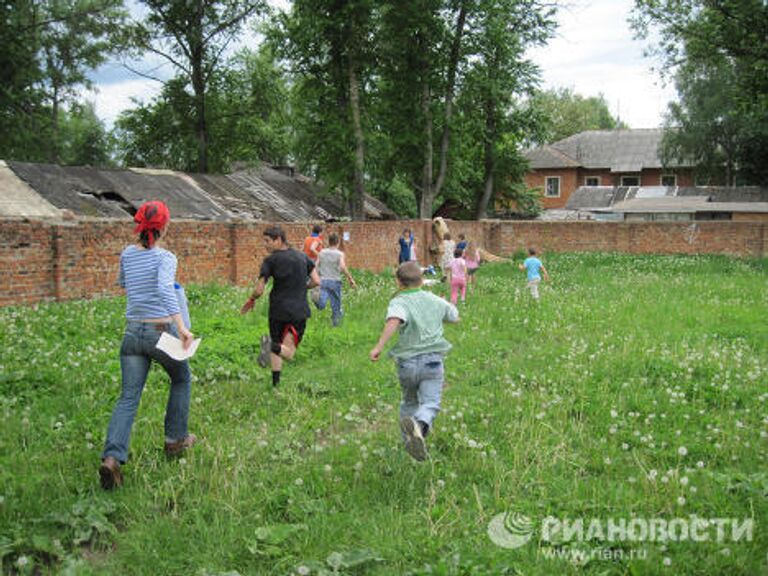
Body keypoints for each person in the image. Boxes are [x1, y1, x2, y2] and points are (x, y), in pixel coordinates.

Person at [99, 200, 196, 490]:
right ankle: (175, 440)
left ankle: (112, 458)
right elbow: (166, 288)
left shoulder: (127, 254)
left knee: (128, 396)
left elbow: (124, 283)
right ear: (165, 227)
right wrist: (181, 327)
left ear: (139, 225)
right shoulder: (166, 258)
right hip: (160, 331)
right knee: (181, 378)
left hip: (132, 333)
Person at [369, 262, 459, 461]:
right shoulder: (434, 299)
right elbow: (454, 316)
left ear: (399, 282)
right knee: (431, 402)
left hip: (407, 364)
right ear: (421, 279)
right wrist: (443, 306)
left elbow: (394, 320)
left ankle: (410, 442)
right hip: (433, 363)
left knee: (409, 401)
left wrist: (379, 346)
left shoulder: (399, 301)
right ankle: (420, 425)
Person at [241, 225, 321, 387]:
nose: (265, 245)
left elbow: (259, 289)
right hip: (298, 310)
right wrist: (302, 288)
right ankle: (270, 347)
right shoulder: (303, 257)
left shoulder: (270, 261)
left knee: (277, 344)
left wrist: (251, 300)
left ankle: (275, 383)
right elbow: (317, 281)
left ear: (278, 240)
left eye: (267, 241)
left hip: (277, 310)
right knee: (288, 352)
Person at [314, 232, 356, 326]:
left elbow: (316, 266)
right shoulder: (340, 254)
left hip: (323, 280)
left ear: (328, 242)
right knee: (336, 305)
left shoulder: (322, 252)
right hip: (335, 281)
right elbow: (342, 266)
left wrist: (315, 277)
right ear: (338, 242)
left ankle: (317, 301)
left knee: (322, 301)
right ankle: (336, 325)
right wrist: (350, 279)